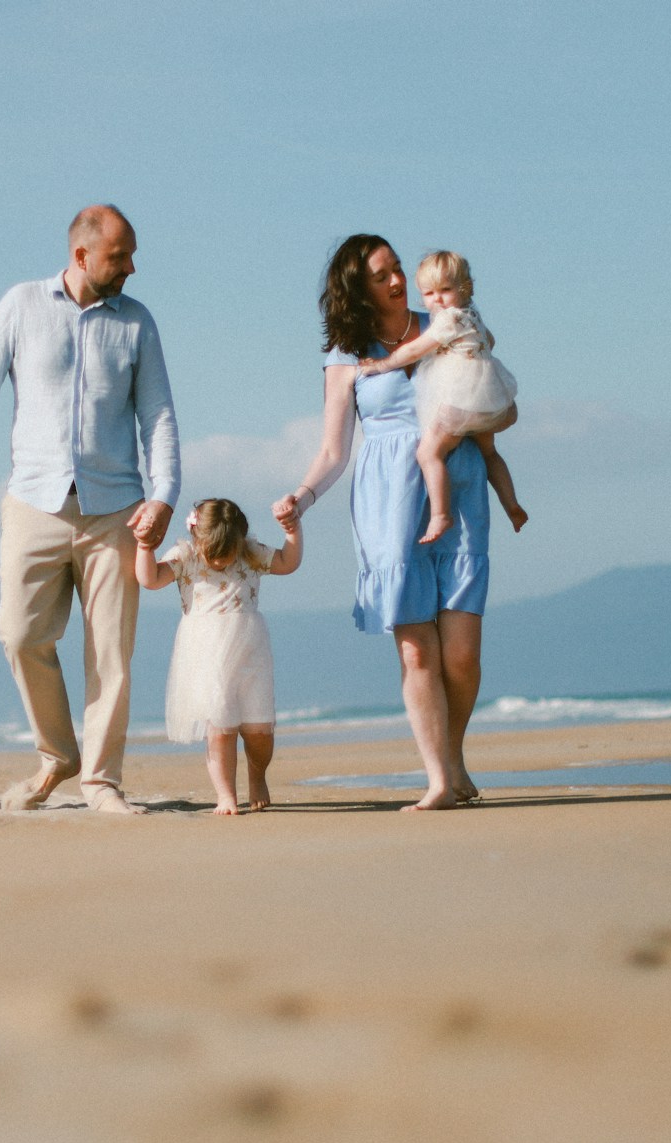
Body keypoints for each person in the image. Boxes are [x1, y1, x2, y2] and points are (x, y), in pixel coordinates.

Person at [0, 205, 180, 815]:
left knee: (110, 651)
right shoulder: (21, 306)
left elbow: (158, 416)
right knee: (20, 632)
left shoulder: (137, 323)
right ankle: (59, 753)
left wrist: (163, 495)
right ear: (82, 256)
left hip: (117, 510)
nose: (132, 267)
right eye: (120, 257)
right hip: (33, 502)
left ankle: (101, 781)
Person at [273, 234, 519, 811]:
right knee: (417, 652)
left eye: (397, 269)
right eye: (381, 274)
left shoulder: (444, 319)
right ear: (358, 288)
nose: (396, 281)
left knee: (461, 654)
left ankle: (453, 758)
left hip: (457, 489)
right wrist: (302, 498)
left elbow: (493, 400)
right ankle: (438, 778)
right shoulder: (344, 355)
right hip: (388, 501)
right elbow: (334, 450)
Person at [135, 498, 302, 815]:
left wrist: (292, 532)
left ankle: (257, 774)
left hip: (251, 651)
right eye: (214, 552)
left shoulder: (250, 554)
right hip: (206, 654)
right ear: (198, 538)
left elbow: (287, 562)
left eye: (228, 551)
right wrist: (144, 547)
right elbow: (150, 579)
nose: (222, 559)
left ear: (241, 540)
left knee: (259, 730)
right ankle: (225, 795)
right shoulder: (186, 556)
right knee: (220, 728)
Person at [357, 250, 526, 544]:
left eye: (445, 290)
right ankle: (511, 504)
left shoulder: (448, 319)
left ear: (464, 289)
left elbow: (415, 350)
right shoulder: (472, 314)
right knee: (489, 453)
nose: (437, 299)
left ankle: (440, 514)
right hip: (489, 397)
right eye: (429, 293)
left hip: (462, 400)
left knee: (429, 452)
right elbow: (492, 340)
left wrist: (383, 364)